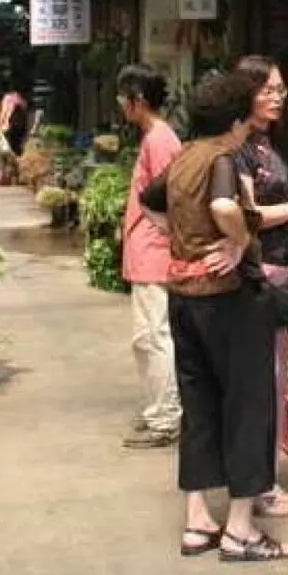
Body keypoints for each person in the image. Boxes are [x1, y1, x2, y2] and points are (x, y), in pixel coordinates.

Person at [140, 71, 288, 562]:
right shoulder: (223, 157)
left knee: (199, 406)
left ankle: (197, 522)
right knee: (247, 406)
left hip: (185, 297)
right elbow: (225, 203)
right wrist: (237, 240)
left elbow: (150, 202)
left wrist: (185, 243)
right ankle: (240, 531)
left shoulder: (185, 156)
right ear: (234, 117)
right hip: (230, 299)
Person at [232, 55, 288, 518]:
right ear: (245, 93)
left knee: (273, 379)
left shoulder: (268, 143)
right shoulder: (241, 148)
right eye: (267, 90)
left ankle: (261, 477)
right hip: (259, 274)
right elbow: (245, 215)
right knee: (260, 383)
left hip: (281, 267)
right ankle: (258, 485)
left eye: (281, 90)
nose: (276, 98)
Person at [117, 65, 183, 449]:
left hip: (154, 255)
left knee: (153, 336)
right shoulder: (157, 137)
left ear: (137, 101)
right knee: (150, 336)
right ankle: (158, 411)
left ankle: (164, 419)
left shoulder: (159, 140)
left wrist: (161, 234)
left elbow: (171, 201)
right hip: (148, 253)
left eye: (123, 99)